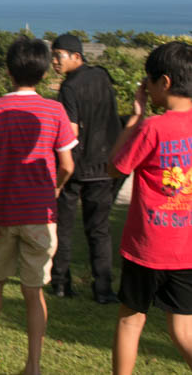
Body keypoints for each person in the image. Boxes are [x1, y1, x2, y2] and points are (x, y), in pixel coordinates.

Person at [0, 36, 77, 374]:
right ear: (44, 73)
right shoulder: (55, 110)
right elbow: (68, 165)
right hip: (40, 215)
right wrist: (55, 190)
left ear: (8, 70)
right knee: (34, 292)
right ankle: (33, 365)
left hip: (3, 213)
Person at [109, 41, 192, 374]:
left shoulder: (153, 127)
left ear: (165, 82)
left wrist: (137, 115)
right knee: (183, 330)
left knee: (130, 322)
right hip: (186, 249)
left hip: (147, 247)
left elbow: (114, 166)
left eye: (150, 81)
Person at [49, 33, 122, 304]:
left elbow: (71, 131)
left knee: (64, 226)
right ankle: (103, 290)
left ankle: (60, 283)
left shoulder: (69, 88)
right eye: (53, 56)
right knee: (99, 230)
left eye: (59, 56)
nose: (54, 61)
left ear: (76, 56)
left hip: (77, 167)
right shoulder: (103, 77)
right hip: (105, 165)